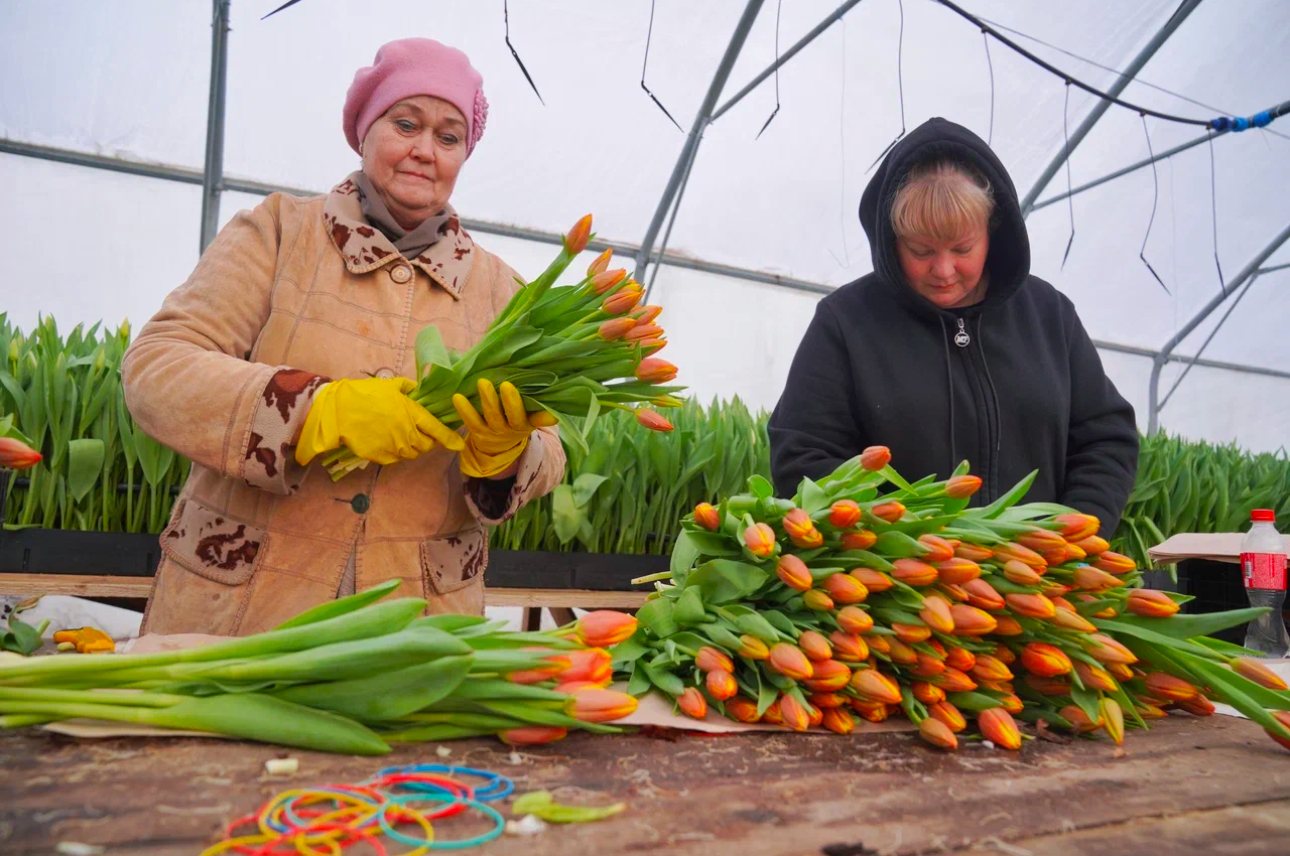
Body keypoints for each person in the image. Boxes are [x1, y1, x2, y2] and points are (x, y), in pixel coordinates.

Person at [122, 38, 565, 636]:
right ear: (364, 131)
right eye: (405, 124)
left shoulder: (501, 291)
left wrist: (509, 456)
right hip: (241, 608)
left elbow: (553, 446)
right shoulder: (278, 233)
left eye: (448, 136)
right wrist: (314, 411)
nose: (424, 151)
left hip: (416, 620)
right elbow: (158, 369)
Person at [769, 118, 1138, 536]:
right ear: (892, 238)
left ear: (992, 232)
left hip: (1038, 579)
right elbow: (802, 452)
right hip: (895, 584)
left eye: (963, 248)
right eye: (921, 250)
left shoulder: (1048, 314)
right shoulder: (846, 322)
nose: (943, 270)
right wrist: (895, 539)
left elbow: (1106, 437)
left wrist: (1077, 530)